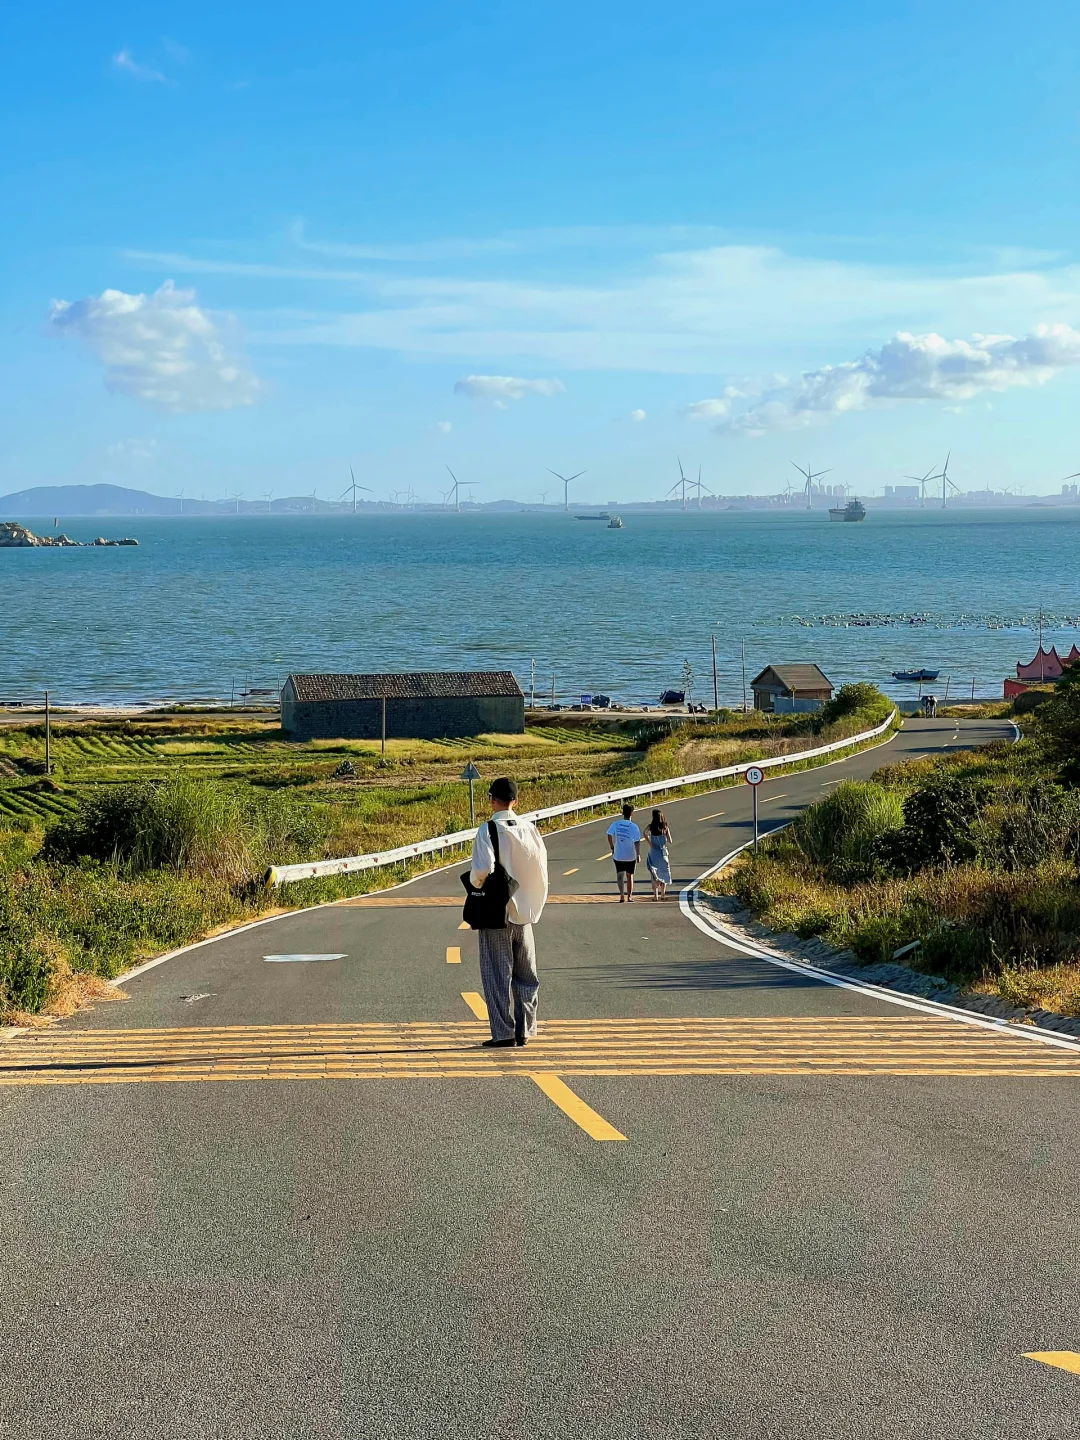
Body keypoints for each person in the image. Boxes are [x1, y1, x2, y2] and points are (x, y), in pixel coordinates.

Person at [468, 776, 549, 1048]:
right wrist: (533, 903)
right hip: (525, 914)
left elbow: (483, 868)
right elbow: (542, 869)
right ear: (516, 801)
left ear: (492, 800)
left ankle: (503, 1033)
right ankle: (525, 1028)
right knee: (527, 975)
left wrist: (475, 884)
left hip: (496, 913)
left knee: (496, 974)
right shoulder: (531, 829)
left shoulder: (488, 829)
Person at [606, 802, 642, 902]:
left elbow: (609, 834)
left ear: (623, 813)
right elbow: (637, 841)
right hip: (630, 855)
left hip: (618, 854)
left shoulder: (616, 823)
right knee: (629, 876)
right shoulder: (634, 826)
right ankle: (629, 896)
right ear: (632, 813)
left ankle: (622, 895)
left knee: (620, 875)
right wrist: (638, 854)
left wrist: (612, 847)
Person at [643, 809, 673, 902]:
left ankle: (655, 896)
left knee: (654, 874)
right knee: (664, 872)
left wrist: (650, 842)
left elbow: (644, 833)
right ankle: (663, 895)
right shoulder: (665, 827)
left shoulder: (651, 827)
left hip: (653, 852)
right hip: (663, 852)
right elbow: (670, 840)